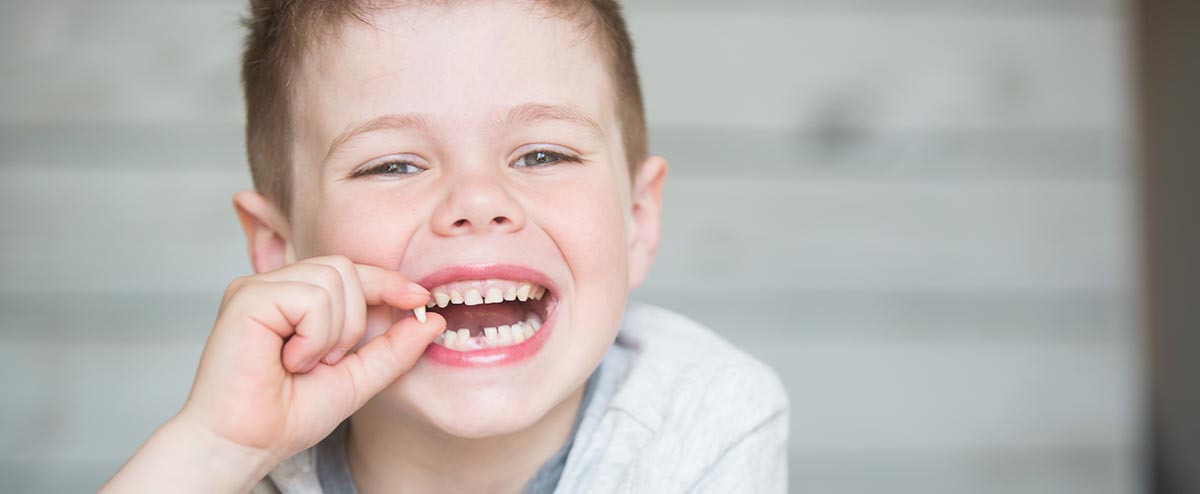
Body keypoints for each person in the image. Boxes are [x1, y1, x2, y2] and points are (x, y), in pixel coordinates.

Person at [102, 0, 789, 492]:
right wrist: (217, 451)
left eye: (542, 154)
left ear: (637, 220)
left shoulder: (705, 417)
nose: (477, 202)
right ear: (282, 249)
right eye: (392, 165)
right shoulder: (244, 452)